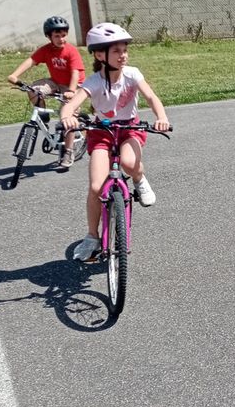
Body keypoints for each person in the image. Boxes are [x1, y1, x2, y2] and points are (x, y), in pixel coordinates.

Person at [59, 23, 171, 262]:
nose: (123, 55)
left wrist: (161, 117)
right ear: (100, 55)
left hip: (129, 127)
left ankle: (139, 180)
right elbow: (72, 103)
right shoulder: (94, 81)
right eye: (117, 51)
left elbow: (151, 97)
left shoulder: (133, 74)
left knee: (130, 163)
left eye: (125, 50)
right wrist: (67, 116)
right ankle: (92, 236)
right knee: (96, 187)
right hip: (101, 132)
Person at [7, 15, 85, 168]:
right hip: (55, 82)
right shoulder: (46, 50)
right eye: (57, 36)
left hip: (74, 85)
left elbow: (76, 72)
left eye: (63, 35)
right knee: (33, 89)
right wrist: (15, 75)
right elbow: (31, 61)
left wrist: (71, 90)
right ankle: (43, 116)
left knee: (68, 118)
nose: (61, 39)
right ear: (48, 36)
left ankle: (68, 151)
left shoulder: (71, 51)